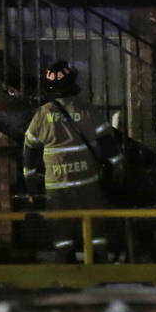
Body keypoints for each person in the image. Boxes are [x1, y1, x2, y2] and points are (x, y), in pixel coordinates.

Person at [23, 60, 124, 262]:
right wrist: (118, 165)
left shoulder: (43, 114)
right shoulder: (86, 109)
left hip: (57, 185)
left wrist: (30, 177)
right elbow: (106, 141)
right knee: (95, 227)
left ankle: (66, 265)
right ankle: (98, 264)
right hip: (86, 181)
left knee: (61, 231)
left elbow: (30, 149)